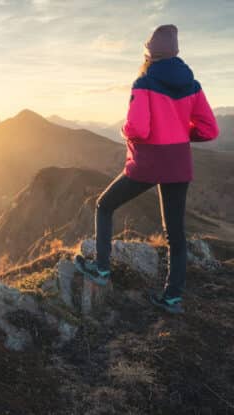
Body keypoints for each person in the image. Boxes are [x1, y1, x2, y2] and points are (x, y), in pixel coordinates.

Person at [74, 24, 219, 314]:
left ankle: (102, 270)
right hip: (178, 163)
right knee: (175, 235)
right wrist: (180, 133)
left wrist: (125, 130)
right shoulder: (193, 85)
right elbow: (209, 129)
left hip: (148, 164)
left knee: (104, 205)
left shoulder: (144, 83)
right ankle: (172, 298)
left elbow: (138, 128)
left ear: (150, 53)